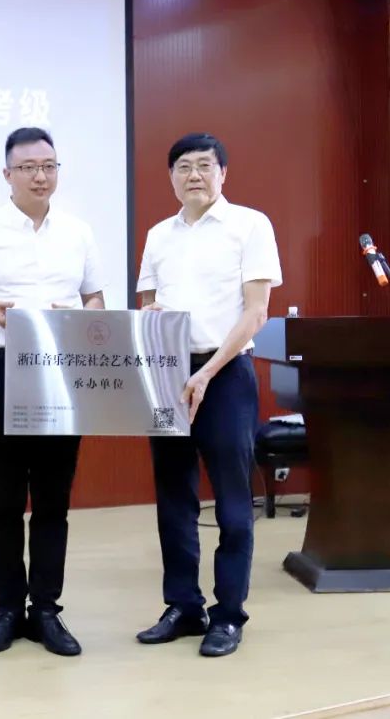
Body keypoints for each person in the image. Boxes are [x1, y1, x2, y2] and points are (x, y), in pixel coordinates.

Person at [0, 127, 105, 656]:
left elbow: (96, 301)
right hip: (2, 370)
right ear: (7, 174)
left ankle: (47, 610)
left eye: (49, 166)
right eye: (28, 167)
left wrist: (76, 317)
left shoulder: (78, 233)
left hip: (62, 372)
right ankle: (7, 610)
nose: (40, 176)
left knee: (54, 500)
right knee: (6, 499)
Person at [135, 132, 282, 657]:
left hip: (226, 376)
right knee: (174, 496)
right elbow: (148, 305)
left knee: (232, 502)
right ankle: (182, 606)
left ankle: (228, 615)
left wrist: (207, 372)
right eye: (183, 166)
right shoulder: (159, 235)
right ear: (171, 177)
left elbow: (256, 313)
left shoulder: (250, 225)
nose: (193, 174)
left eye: (204, 165)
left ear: (223, 173)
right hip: (169, 375)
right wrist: (150, 317)